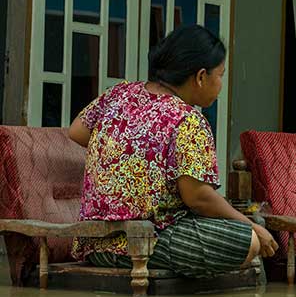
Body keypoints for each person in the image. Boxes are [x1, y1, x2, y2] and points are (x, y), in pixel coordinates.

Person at [68, 25, 278, 277]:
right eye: (220, 75)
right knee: (250, 241)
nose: (220, 84)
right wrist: (251, 225)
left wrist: (127, 148)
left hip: (94, 243)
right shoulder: (187, 119)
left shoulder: (119, 93)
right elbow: (198, 198)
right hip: (142, 242)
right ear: (201, 77)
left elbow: (77, 131)